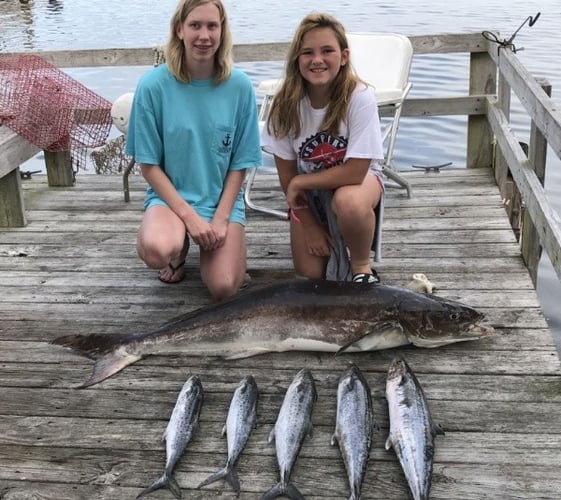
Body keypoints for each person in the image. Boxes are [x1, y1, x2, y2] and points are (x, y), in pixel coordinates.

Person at [125, 0, 262, 300]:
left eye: (212, 26)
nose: (204, 35)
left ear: (222, 31)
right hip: (171, 198)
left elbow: (240, 163)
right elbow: (148, 165)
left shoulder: (239, 86)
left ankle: (227, 248)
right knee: (157, 250)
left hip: (220, 201)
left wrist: (221, 219)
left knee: (224, 287)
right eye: (195, 25)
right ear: (179, 30)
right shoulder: (153, 86)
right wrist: (190, 218)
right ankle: (178, 248)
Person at [261, 12, 385, 284]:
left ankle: (362, 267)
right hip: (308, 195)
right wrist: (310, 224)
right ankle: (324, 231)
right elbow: (286, 176)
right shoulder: (284, 106)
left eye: (327, 50)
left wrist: (300, 183)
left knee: (348, 201)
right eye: (307, 53)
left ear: (344, 56)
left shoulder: (359, 97)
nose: (317, 60)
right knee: (311, 275)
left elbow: (355, 171)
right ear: (297, 60)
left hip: (358, 183)